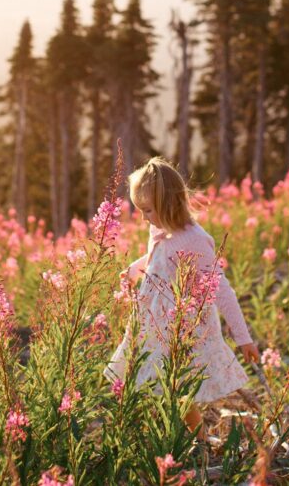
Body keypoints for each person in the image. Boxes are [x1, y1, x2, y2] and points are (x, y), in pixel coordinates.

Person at [105, 157, 261, 441]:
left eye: (147, 210)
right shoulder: (160, 230)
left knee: (177, 388)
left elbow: (222, 289)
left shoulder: (195, 240)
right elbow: (157, 257)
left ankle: (196, 439)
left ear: (168, 205)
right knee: (164, 386)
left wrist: (243, 338)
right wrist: (134, 270)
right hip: (153, 326)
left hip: (181, 330)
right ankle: (183, 437)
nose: (143, 217)